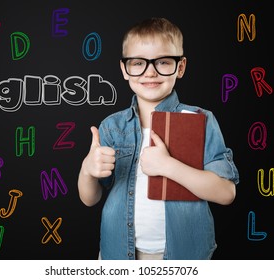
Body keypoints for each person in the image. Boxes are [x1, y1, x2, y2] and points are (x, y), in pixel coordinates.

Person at [77, 17, 239, 260]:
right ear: (124, 69)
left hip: (183, 257)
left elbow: (226, 193)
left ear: (180, 67)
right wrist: (87, 169)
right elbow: (90, 199)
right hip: (119, 255)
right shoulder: (112, 126)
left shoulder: (200, 120)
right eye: (138, 63)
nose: (150, 71)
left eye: (163, 62)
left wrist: (168, 166)